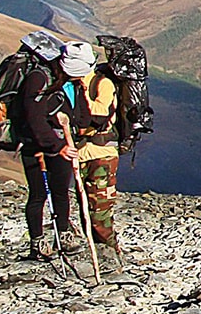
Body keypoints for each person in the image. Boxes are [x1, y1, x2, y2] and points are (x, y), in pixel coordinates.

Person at [62, 40, 125, 272]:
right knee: (85, 207)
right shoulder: (69, 85)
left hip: (101, 154)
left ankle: (111, 256)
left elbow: (99, 114)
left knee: (99, 210)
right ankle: (98, 254)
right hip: (80, 153)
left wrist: (74, 108)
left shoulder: (102, 84)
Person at [15, 31, 77, 261]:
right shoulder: (39, 78)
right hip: (36, 145)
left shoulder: (59, 79)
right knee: (39, 194)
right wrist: (56, 145)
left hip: (56, 142)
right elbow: (34, 117)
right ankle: (38, 243)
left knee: (60, 191)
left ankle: (63, 235)